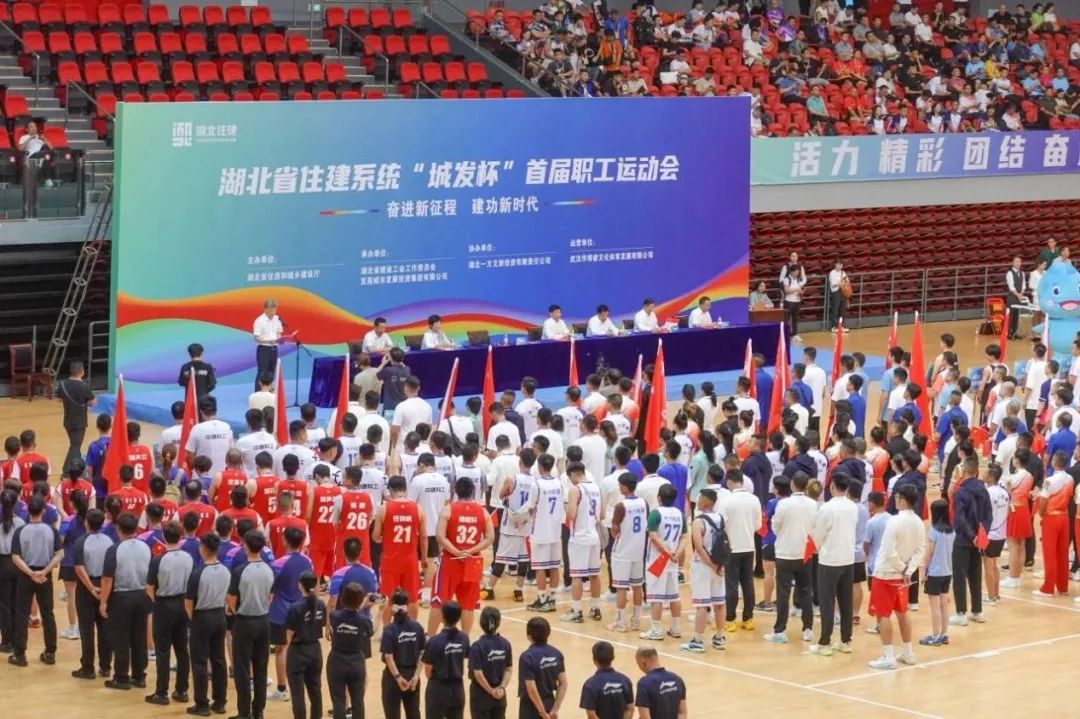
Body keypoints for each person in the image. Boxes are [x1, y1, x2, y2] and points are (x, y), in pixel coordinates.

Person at [867, 484, 924, 670]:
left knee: (883, 614)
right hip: (902, 575)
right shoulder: (919, 522)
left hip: (885, 573)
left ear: (903, 501)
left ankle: (888, 656)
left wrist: (901, 567)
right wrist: (908, 570)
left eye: (897, 497)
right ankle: (908, 652)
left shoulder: (894, 521)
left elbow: (888, 549)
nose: (894, 500)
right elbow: (920, 550)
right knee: (902, 611)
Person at [432, 478, 494, 636]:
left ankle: (430, 638)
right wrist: (471, 551)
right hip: (472, 562)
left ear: (455, 490)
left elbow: (440, 536)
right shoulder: (483, 512)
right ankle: (465, 639)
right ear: (473, 491)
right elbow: (489, 538)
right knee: (468, 604)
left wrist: (457, 552)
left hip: (450, 561)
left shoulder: (448, 510)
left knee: (439, 601)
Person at [100, 511, 152, 688]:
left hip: (122, 597)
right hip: (142, 595)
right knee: (139, 637)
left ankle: (121, 676)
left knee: (121, 637)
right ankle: (139, 675)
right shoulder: (145, 547)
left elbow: (107, 579)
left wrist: (103, 601)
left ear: (118, 529)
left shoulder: (114, 549)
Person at [765, 471, 818, 644]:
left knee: (783, 593)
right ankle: (808, 629)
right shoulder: (813, 504)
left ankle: (780, 630)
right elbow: (816, 526)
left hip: (785, 552)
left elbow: (775, 525)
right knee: (806, 591)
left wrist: (785, 536)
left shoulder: (784, 504)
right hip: (805, 552)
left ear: (792, 484)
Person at [8, 494, 60, 667]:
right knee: (48, 613)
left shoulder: (21, 531)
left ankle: (20, 654)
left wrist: (30, 573)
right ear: (43, 511)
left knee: (22, 613)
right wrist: (44, 571)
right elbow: (59, 554)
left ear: (28, 511)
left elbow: (15, 557)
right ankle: (50, 652)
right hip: (45, 576)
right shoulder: (51, 530)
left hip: (25, 575)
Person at [229, 530, 275, 719]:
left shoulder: (240, 571)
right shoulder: (269, 569)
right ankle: (259, 711)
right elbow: (270, 597)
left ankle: (244, 712)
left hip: (244, 621)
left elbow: (231, 601)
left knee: (241, 668)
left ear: (245, 547)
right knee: (261, 668)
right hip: (264, 621)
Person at [811, 474, 860, 655]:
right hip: (848, 559)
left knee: (827, 602)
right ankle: (845, 641)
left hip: (829, 560)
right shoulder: (853, 507)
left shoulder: (827, 508)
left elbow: (818, 535)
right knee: (846, 602)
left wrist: (817, 549)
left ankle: (825, 643)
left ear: (832, 486)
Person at [146, 520, 194, 704]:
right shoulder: (188, 558)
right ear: (181, 536)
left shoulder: (158, 560)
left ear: (164, 537)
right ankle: (182, 690)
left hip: (164, 604)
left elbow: (149, 587)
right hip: (183, 604)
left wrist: (157, 602)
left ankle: (161, 692)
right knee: (182, 649)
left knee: (162, 650)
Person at [185, 533, 231, 716]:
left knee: (199, 661)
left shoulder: (198, 573)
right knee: (219, 660)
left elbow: (188, 603)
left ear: (203, 548)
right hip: (220, 616)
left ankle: (202, 704)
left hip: (202, 617)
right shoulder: (226, 571)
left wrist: (194, 620)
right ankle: (220, 702)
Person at [269, 526, 314, 701]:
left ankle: (282, 689)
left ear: (285, 541)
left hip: (281, 612)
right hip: (302, 610)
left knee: (281, 649)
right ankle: (301, 685)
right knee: (301, 648)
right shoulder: (308, 561)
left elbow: (270, 588)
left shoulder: (278, 563)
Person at [680, 487, 726, 653]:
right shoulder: (721, 518)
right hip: (719, 566)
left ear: (705, 501)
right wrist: (719, 566)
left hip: (703, 566)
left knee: (702, 605)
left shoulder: (699, 521)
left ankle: (698, 641)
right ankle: (720, 637)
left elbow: (699, 548)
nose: (697, 501)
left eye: (700, 498)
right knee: (719, 603)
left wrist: (711, 565)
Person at [70, 506, 111, 679]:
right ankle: (106, 666)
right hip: (105, 584)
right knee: (105, 628)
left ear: (86, 522)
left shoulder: (80, 542)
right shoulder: (109, 541)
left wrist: (91, 588)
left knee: (86, 629)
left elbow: (79, 568)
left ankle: (87, 667)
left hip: (87, 587)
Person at [949, 455, 991, 622]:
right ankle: (977, 611)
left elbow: (959, 518)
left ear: (964, 471)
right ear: (977, 471)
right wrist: (981, 534)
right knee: (975, 575)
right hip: (978, 539)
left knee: (959, 576)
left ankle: (961, 613)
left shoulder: (961, 492)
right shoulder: (984, 490)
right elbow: (988, 515)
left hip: (963, 539)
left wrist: (971, 536)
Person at [719, 469, 760, 632]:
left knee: (731, 584)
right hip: (749, 545)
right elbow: (758, 525)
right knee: (748, 582)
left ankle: (730, 620)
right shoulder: (754, 499)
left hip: (732, 546)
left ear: (729, 482)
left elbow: (720, 524)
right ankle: (748, 618)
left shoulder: (726, 501)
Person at [562, 462, 603, 624]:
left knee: (577, 576)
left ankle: (576, 610)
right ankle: (595, 608)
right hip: (594, 536)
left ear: (573, 474)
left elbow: (571, 515)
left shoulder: (575, 489)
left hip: (579, 537)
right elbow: (601, 514)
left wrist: (566, 511)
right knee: (594, 574)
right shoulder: (596, 487)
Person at [327, 581, 375, 719]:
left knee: (338, 702)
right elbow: (370, 631)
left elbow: (345, 614)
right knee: (358, 702)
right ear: (360, 600)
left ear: (342, 598)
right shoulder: (364, 621)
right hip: (356, 663)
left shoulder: (334, 617)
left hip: (337, 661)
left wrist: (359, 605)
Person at [607, 472, 647, 632]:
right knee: (637, 586)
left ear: (624, 486)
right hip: (638, 551)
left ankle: (620, 621)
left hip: (622, 552)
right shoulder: (643, 503)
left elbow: (614, 529)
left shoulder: (621, 506)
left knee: (621, 587)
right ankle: (636, 619)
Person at [284, 571, 326, 719]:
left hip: (298, 651)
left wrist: (285, 655)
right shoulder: (321, 605)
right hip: (315, 650)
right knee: (315, 691)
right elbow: (323, 623)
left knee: (298, 693)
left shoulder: (295, 608)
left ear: (300, 585)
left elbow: (288, 635)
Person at [381, 589, 427, 719]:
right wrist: (416, 675)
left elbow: (388, 657)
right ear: (408, 606)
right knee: (413, 713)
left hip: (392, 677)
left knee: (392, 714)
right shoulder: (417, 627)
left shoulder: (389, 630)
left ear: (392, 608)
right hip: (412, 676)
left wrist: (398, 677)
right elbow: (423, 652)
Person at [422, 600, 470, 719]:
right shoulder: (464, 639)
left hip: (438, 688)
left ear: (443, 618)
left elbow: (428, 669)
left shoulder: (434, 641)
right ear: (459, 618)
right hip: (458, 689)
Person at [1035, 450, 1072, 597]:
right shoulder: (1070, 479)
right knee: (1062, 552)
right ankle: (1063, 586)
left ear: (1054, 462)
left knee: (1050, 553)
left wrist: (1041, 512)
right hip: (1064, 517)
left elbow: (1043, 500)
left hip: (1051, 518)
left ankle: (1048, 588)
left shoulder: (1050, 481)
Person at [919, 499, 955, 647]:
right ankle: (944, 634)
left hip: (935, 572)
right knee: (944, 605)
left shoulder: (934, 531)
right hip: (947, 571)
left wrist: (923, 570)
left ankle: (935, 636)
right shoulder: (952, 531)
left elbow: (929, 553)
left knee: (934, 606)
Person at [468, 606, 513, 719]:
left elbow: (478, 674)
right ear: (498, 623)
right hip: (500, 695)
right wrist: (501, 688)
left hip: (481, 695)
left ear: (481, 623)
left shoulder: (477, 647)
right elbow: (508, 669)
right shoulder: (505, 644)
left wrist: (491, 691)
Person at [518, 617, 567, 719]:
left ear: (529, 636)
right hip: (550, 703)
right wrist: (555, 709)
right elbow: (563, 683)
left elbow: (532, 689)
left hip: (531, 707)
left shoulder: (527, 657)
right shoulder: (557, 654)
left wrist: (542, 712)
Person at [57, 360, 95, 473]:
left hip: (67, 421)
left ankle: (77, 469)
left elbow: (59, 400)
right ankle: (66, 471)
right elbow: (93, 402)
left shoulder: (62, 384)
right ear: (81, 371)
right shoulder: (84, 386)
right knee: (75, 446)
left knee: (75, 444)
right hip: (79, 423)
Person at [580, 641, 633, 719]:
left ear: (594, 660)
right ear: (613, 658)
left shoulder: (590, 684)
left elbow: (591, 715)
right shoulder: (625, 680)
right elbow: (630, 709)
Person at [186, 396, 235, 475]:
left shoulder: (197, 429)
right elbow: (231, 450)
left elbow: (190, 453)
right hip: (223, 475)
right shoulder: (226, 427)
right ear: (216, 410)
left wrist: (197, 470)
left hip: (202, 475)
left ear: (201, 412)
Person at [634, 646, 687, 718]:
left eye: (638, 663)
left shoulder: (644, 683)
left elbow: (645, 717)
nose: (639, 666)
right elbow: (682, 713)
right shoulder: (677, 679)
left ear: (643, 661)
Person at [253, 299, 286, 390]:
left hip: (274, 349)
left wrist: (280, 339)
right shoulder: (259, 321)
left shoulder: (277, 319)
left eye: (275, 309)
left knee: (272, 371)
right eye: (273, 309)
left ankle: (269, 391)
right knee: (262, 372)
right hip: (264, 349)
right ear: (267, 309)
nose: (275, 311)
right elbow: (256, 338)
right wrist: (268, 341)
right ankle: (258, 392)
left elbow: (279, 333)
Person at [1005, 255, 1028, 340]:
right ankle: (1009, 333)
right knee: (1011, 316)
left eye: (1019, 261)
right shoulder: (1009, 273)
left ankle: (1015, 332)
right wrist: (1018, 295)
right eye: (1016, 261)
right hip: (1012, 297)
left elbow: (1024, 285)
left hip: (1019, 297)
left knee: (1016, 315)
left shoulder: (1022, 273)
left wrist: (1021, 294)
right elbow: (1011, 286)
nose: (1018, 263)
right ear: (1013, 263)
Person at [827, 258, 850, 332]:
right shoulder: (832, 273)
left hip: (843, 292)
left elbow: (848, 281)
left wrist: (844, 283)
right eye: (838, 264)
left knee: (842, 310)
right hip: (835, 292)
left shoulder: (843, 272)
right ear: (835, 264)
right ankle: (834, 326)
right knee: (835, 309)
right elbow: (833, 283)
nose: (839, 266)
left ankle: (841, 325)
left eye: (841, 264)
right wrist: (839, 283)